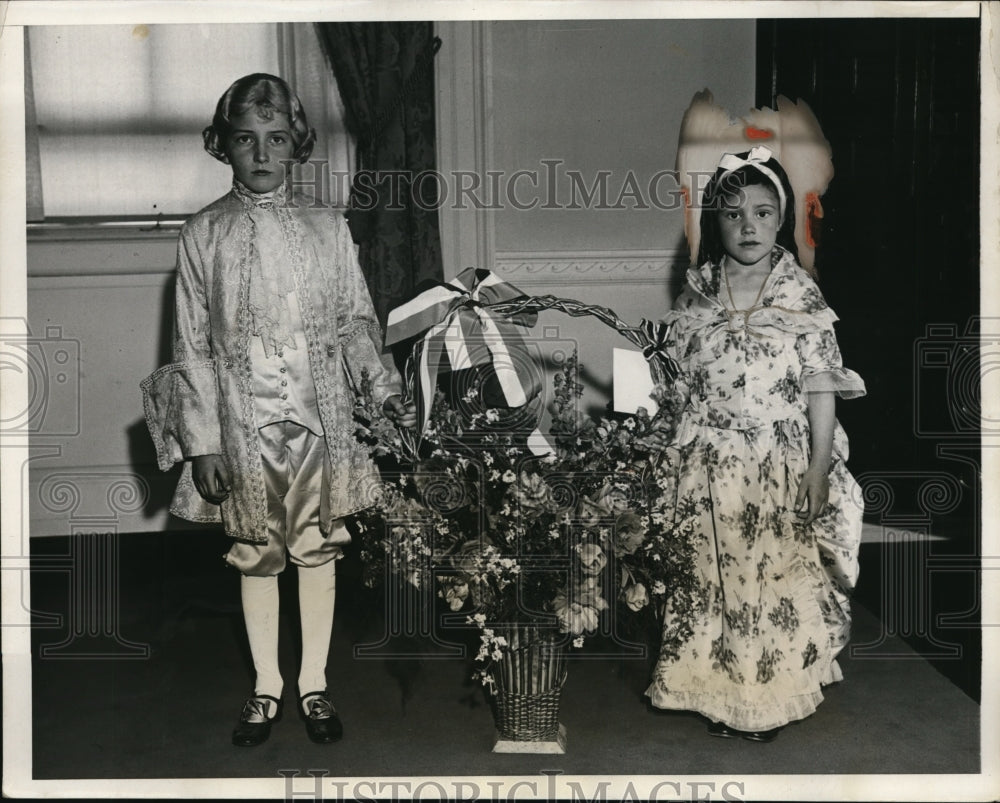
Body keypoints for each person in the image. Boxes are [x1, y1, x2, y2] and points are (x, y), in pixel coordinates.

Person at [141, 74, 415, 747]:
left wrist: (383, 391)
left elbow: (355, 321)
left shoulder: (327, 227)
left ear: (296, 146)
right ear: (222, 147)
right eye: (245, 139)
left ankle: (313, 682)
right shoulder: (203, 232)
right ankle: (266, 685)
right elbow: (192, 343)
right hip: (242, 426)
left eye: (276, 139)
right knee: (256, 551)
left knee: (317, 550)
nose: (261, 153)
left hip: (320, 421)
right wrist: (202, 442)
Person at [646, 146, 865, 741]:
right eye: (734, 213)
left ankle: (767, 698)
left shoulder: (800, 295)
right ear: (714, 223)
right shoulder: (698, 293)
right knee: (710, 576)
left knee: (767, 578)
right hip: (708, 460)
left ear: (783, 220)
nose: (749, 226)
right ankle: (718, 691)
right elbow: (679, 383)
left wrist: (818, 470)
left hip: (777, 461)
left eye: (764, 214)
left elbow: (822, 386)